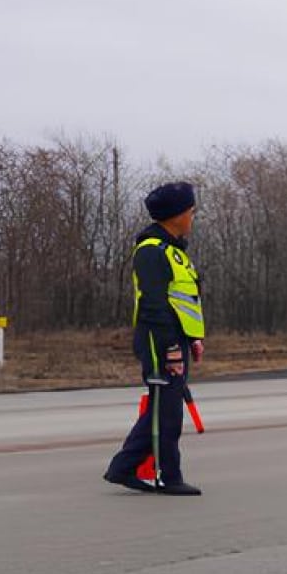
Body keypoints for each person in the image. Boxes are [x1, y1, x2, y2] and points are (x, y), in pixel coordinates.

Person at [103, 181, 206, 495]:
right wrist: (170, 347)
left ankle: (123, 467)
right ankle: (167, 477)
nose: (193, 216)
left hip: (175, 339)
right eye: (190, 211)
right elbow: (153, 305)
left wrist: (192, 339)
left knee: (163, 408)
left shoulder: (174, 252)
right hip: (158, 340)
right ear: (175, 215)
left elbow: (182, 302)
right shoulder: (151, 252)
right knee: (167, 413)